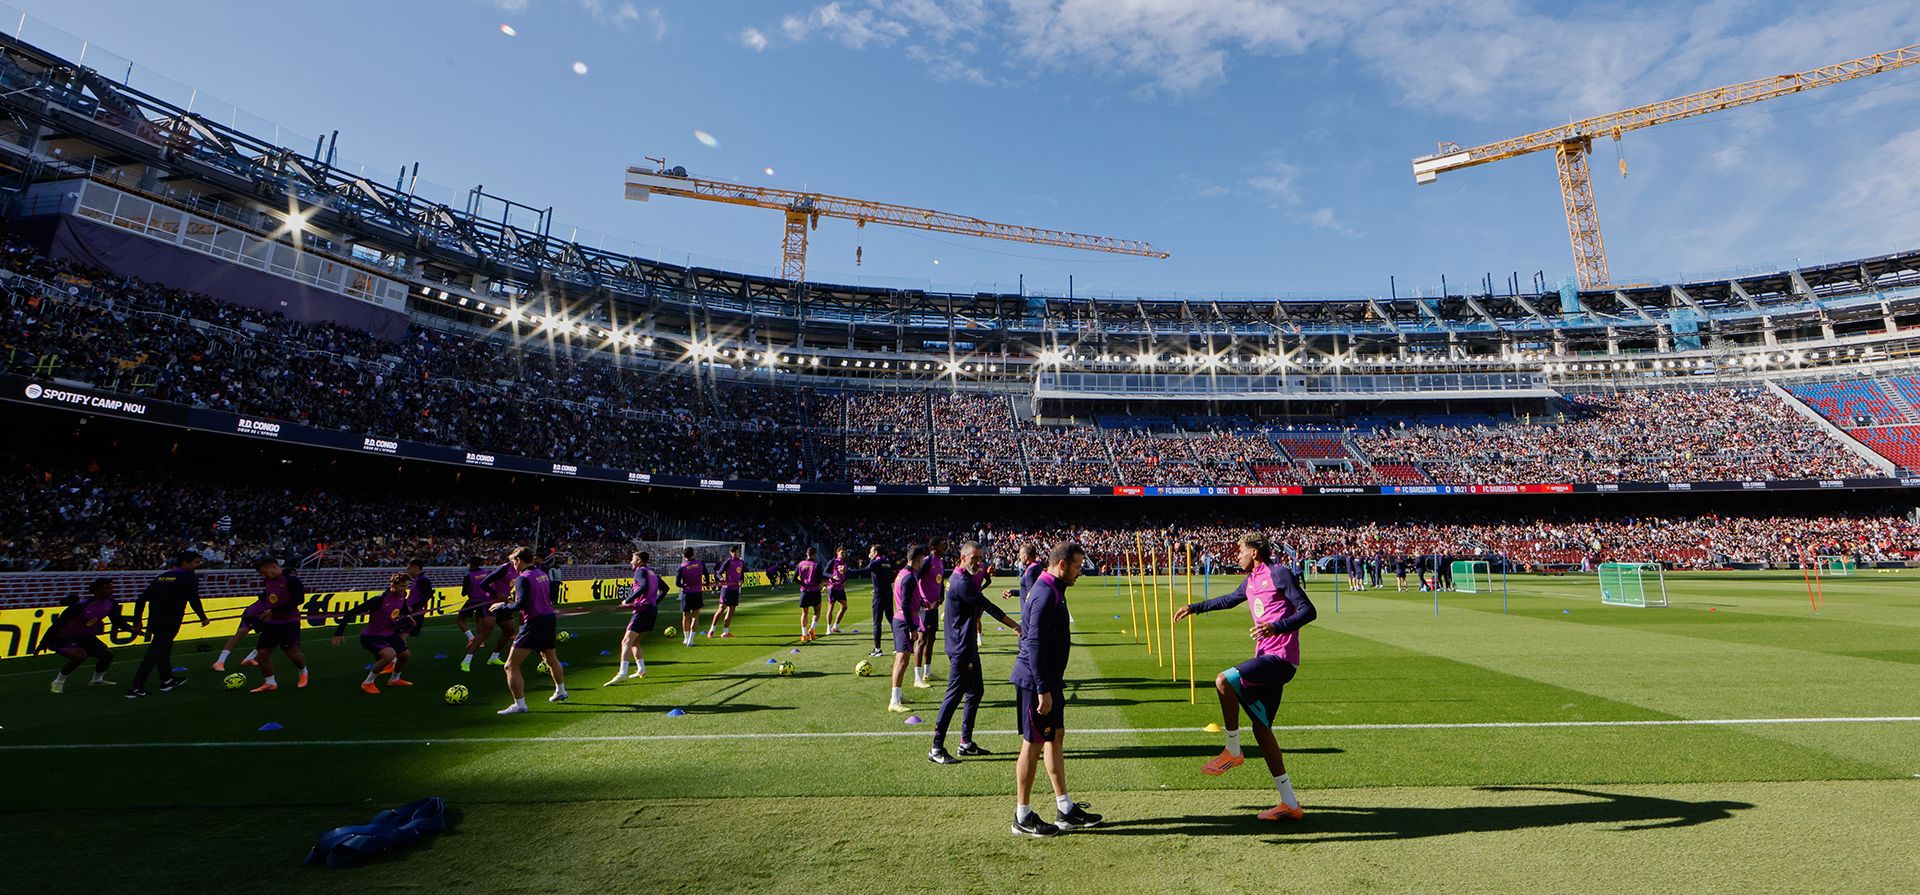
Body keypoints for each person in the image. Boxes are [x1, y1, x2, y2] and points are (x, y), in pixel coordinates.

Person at [1173, 531, 1319, 822]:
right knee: (1262, 729)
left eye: (1240, 550)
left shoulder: (1279, 574)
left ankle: (1232, 749)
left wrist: (1277, 627)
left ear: (1254, 552)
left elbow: (1309, 611)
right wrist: (1194, 608)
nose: (1236, 555)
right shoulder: (1251, 581)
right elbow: (1229, 600)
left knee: (1224, 680)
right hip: (1266, 659)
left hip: (1280, 659)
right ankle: (1290, 803)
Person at [1009, 541, 1101, 837]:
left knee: (1055, 737)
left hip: (1049, 681)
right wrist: (1042, 689)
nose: (1079, 572)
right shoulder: (1046, 591)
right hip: (1036, 683)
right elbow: (1032, 642)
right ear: (1062, 565)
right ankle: (1022, 815)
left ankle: (1064, 807)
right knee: (1032, 744)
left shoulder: (1055, 589)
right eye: (1077, 566)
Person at [929, 542, 1018, 765]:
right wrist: (1016, 626)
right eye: (974, 558)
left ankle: (965, 742)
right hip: (961, 648)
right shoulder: (961, 583)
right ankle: (936, 748)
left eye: (980, 558)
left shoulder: (960, 577)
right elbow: (989, 607)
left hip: (965, 644)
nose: (978, 562)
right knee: (954, 695)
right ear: (962, 557)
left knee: (976, 691)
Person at [490, 545, 568, 713]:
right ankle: (561, 690)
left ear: (519, 560)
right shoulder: (541, 573)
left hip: (534, 622)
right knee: (550, 657)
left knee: (510, 666)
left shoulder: (523, 578)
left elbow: (521, 604)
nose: (512, 565)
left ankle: (520, 704)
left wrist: (502, 606)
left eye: (513, 561)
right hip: (548, 619)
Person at [126, 550, 209, 699]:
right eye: (196, 562)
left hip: (155, 620)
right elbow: (193, 599)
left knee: (163, 649)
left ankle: (167, 680)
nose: (198, 564)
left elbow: (140, 600)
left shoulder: (163, 576)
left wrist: (137, 620)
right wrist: (202, 617)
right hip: (171, 619)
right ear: (185, 563)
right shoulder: (188, 577)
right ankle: (136, 688)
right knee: (154, 652)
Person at [42, 578, 137, 693]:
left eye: (111, 587)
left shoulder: (111, 603)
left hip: (85, 636)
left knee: (106, 655)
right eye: (107, 588)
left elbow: (117, 621)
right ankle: (58, 682)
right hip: (65, 637)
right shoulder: (81, 605)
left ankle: (96, 680)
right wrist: (44, 642)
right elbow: (57, 625)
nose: (111, 590)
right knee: (79, 656)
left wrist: (132, 630)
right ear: (97, 590)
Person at [331, 572, 415, 694]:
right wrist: (339, 632)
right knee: (389, 655)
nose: (404, 589)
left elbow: (403, 607)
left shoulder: (402, 595)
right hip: (372, 636)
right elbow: (350, 612)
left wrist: (407, 616)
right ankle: (368, 682)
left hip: (389, 634)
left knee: (405, 656)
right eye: (402, 586)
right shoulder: (379, 600)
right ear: (393, 584)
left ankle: (394, 679)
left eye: (406, 586)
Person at [241, 555, 312, 692]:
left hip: (289, 622)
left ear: (273, 567)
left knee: (292, 653)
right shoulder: (268, 581)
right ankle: (270, 682)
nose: (263, 575)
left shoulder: (291, 580)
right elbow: (267, 597)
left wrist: (274, 610)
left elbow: (299, 600)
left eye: (264, 572)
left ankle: (303, 671)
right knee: (262, 653)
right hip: (271, 623)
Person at [887, 544, 930, 713]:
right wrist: (912, 627)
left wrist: (920, 602)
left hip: (904, 618)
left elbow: (906, 599)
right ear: (919, 558)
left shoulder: (903, 574)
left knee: (902, 659)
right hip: (904, 621)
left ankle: (898, 695)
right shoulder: (910, 577)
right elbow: (904, 603)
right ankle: (894, 700)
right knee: (902, 659)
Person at [461, 556, 523, 671]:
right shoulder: (504, 568)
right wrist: (496, 593)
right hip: (489, 602)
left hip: (503, 604)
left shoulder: (520, 570)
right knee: (486, 631)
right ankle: (466, 661)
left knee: (510, 630)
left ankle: (494, 657)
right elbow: (483, 584)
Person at [609, 551, 662, 685]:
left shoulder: (640, 571)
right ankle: (641, 669)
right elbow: (665, 588)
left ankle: (623, 673)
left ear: (638, 560)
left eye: (632, 559)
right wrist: (653, 602)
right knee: (634, 642)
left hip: (643, 611)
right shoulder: (651, 572)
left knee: (626, 641)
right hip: (651, 610)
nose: (630, 562)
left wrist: (628, 600)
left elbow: (644, 587)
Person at [915, 536, 948, 688]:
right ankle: (917, 677)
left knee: (932, 639)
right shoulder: (927, 561)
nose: (945, 547)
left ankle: (927, 672)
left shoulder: (940, 561)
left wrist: (941, 596)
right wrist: (921, 600)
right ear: (933, 547)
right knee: (922, 640)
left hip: (934, 607)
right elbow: (915, 578)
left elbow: (940, 581)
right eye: (942, 545)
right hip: (925, 607)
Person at [864, 543, 895, 658]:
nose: (869, 554)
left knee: (877, 622)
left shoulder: (875, 562)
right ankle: (898, 646)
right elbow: (890, 578)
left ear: (875, 553)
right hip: (887, 593)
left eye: (871, 552)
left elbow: (864, 571)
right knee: (891, 619)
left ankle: (878, 649)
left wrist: (847, 572)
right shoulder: (886, 562)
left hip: (879, 596)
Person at [708, 545, 747, 638]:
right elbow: (718, 573)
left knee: (731, 610)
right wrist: (722, 580)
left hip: (735, 589)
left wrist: (741, 580)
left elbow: (741, 574)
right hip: (727, 589)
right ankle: (711, 630)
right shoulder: (729, 561)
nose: (735, 553)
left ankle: (725, 632)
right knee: (721, 609)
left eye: (736, 552)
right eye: (733, 552)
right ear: (731, 553)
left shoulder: (741, 562)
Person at [676, 547, 708, 648]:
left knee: (685, 615)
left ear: (684, 556)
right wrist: (706, 583)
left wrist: (683, 585)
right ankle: (691, 639)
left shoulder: (682, 567)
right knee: (695, 615)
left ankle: (685, 638)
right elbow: (706, 575)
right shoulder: (700, 563)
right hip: (697, 592)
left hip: (686, 593)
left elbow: (677, 583)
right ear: (693, 554)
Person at [455, 557, 491, 645]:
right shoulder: (487, 573)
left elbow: (464, 593)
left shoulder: (469, 576)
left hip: (473, 601)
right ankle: (481, 641)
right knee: (479, 620)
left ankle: (471, 638)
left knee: (460, 620)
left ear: (471, 564)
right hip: (485, 600)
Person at [796, 547, 823, 643]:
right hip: (815, 591)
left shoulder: (800, 564)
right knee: (817, 611)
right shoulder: (817, 565)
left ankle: (804, 635)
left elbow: (794, 578)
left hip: (804, 592)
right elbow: (819, 580)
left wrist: (803, 583)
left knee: (804, 613)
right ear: (814, 554)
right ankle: (812, 628)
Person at [825, 546, 850, 634]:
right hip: (833, 587)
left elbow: (846, 574)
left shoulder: (845, 563)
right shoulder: (832, 562)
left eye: (844, 553)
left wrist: (845, 580)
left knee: (844, 607)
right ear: (837, 553)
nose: (843, 554)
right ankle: (828, 628)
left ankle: (835, 626)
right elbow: (825, 572)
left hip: (841, 588)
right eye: (841, 552)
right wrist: (832, 576)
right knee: (830, 608)